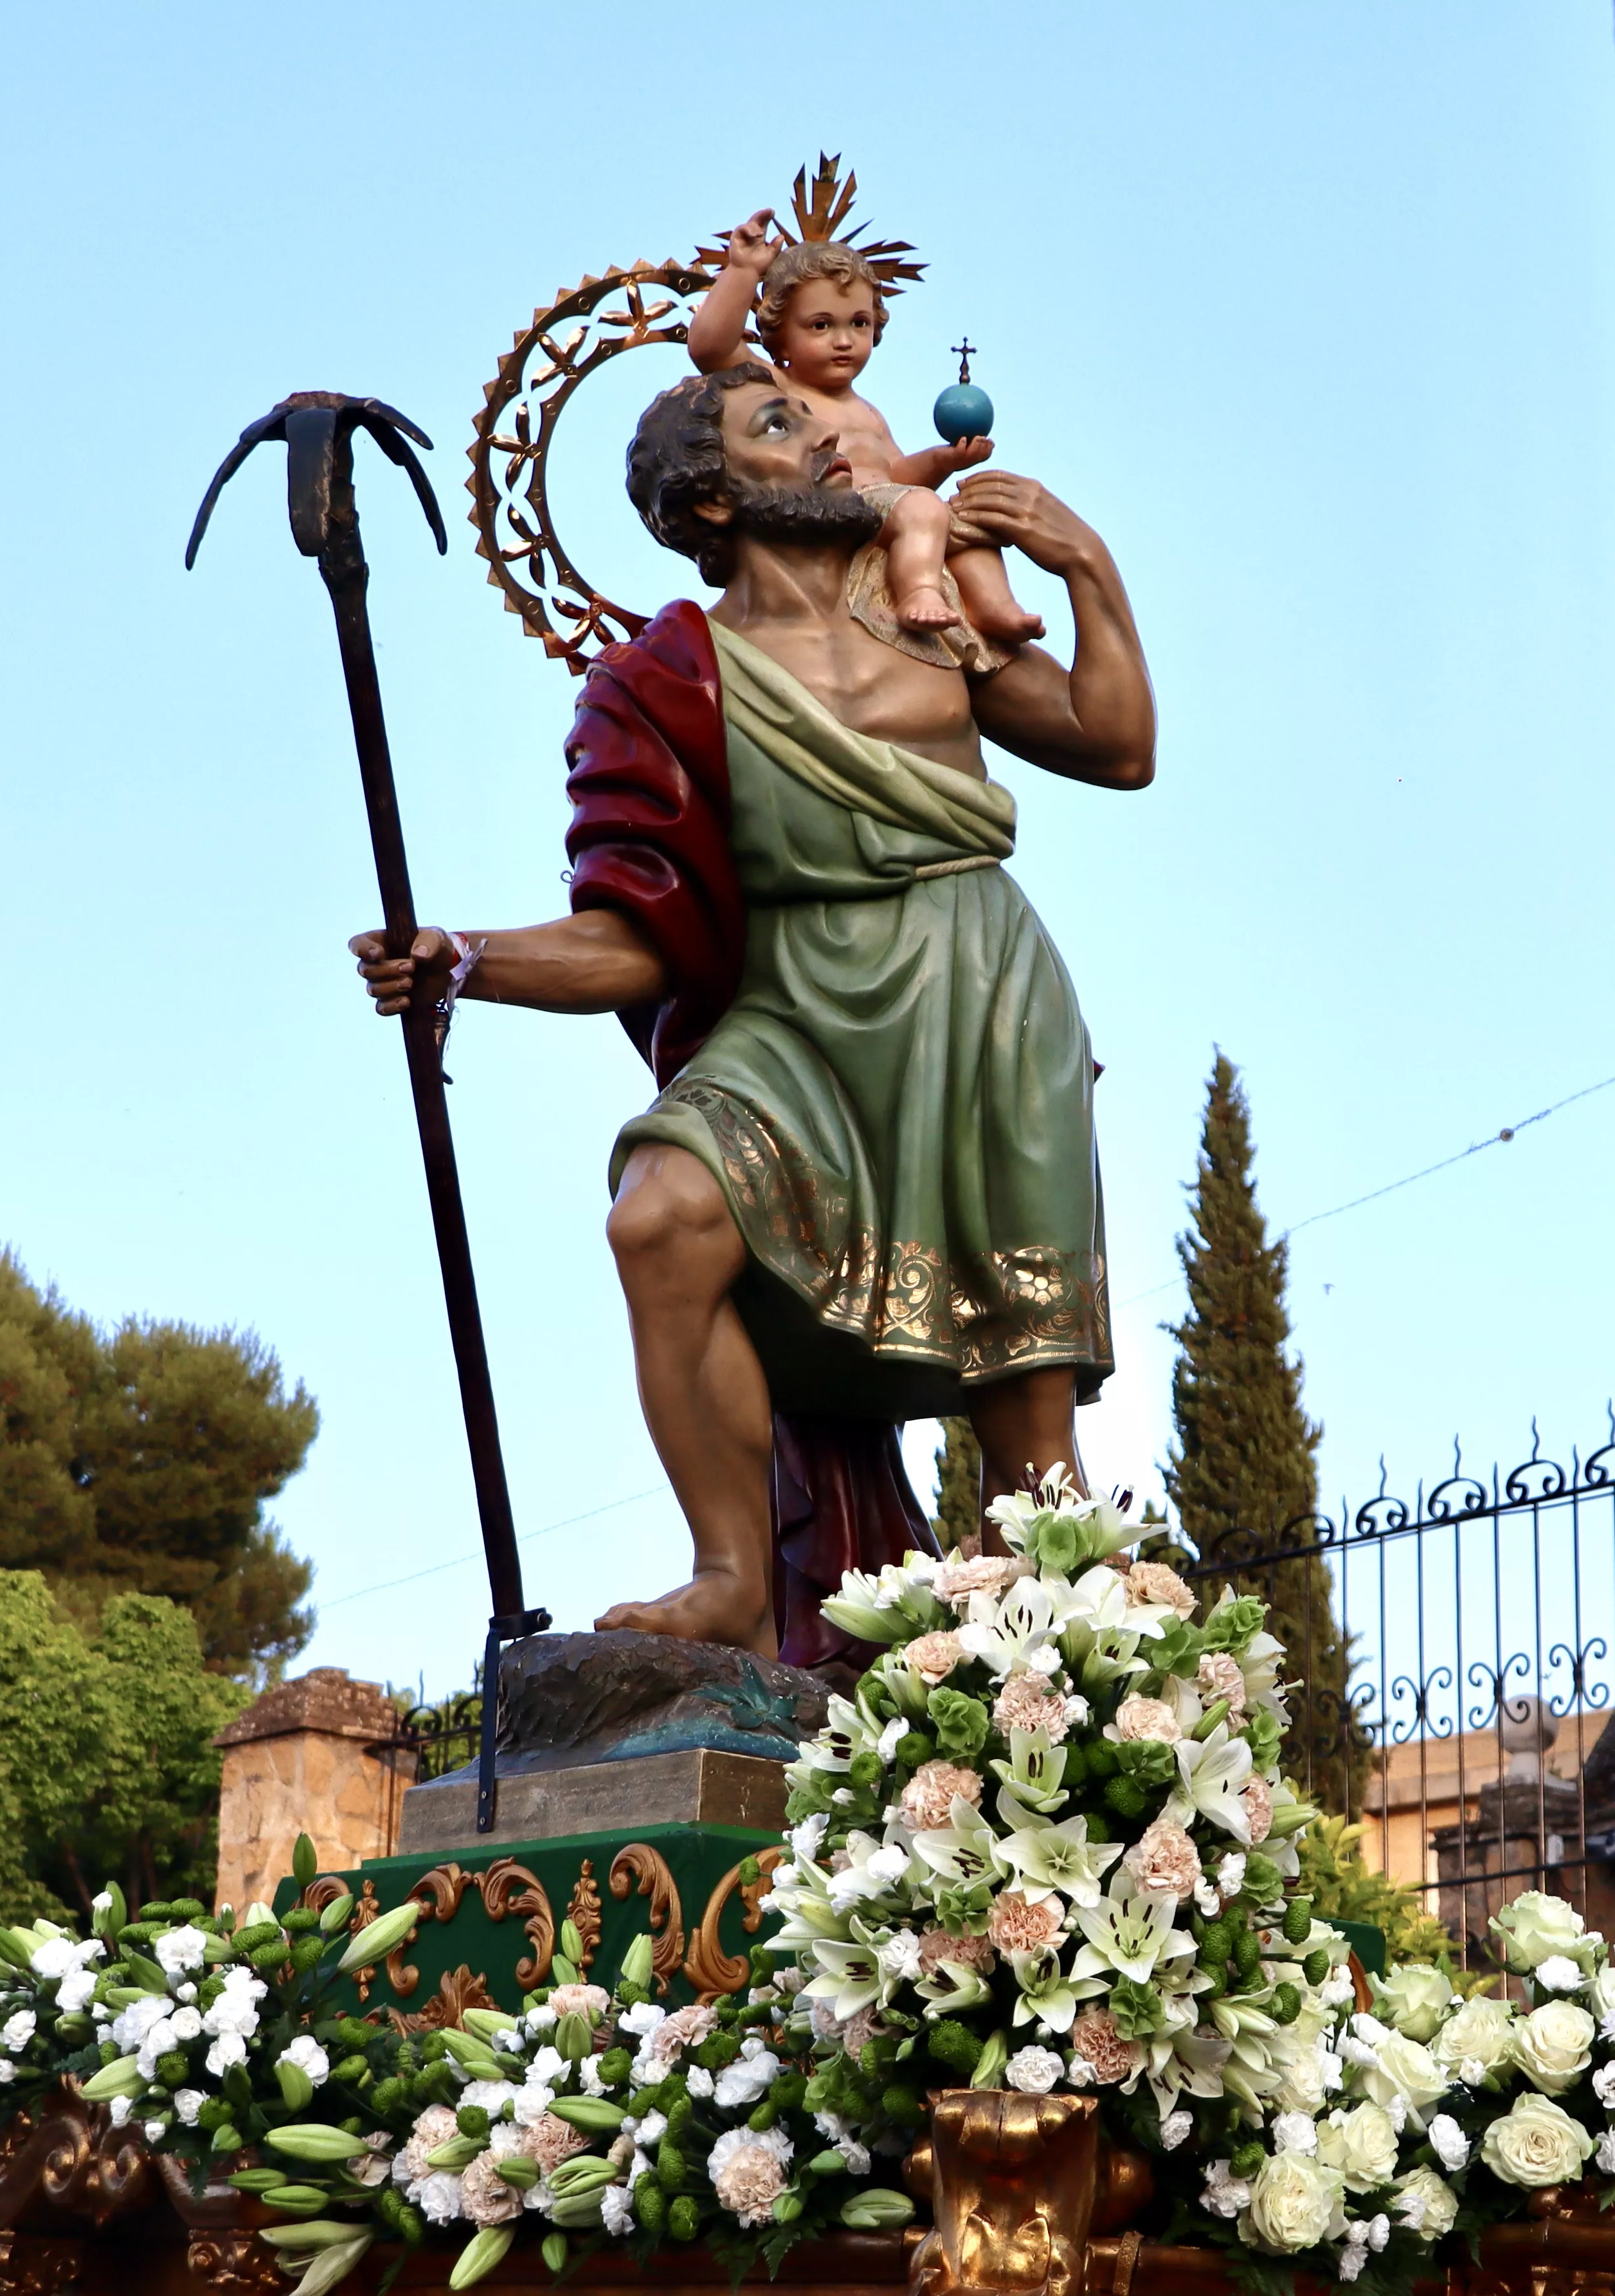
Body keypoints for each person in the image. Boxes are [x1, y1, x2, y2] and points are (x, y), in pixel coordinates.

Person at [352, 363, 1153, 1659]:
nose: (834, 430)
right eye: (781, 421)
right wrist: (462, 958)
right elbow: (637, 939)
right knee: (659, 1217)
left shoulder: (929, 611)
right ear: (709, 495)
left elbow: (1116, 745)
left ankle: (1053, 1681)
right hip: (792, 1011)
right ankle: (731, 1573)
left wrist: (1091, 571)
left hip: (981, 990)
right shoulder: (662, 681)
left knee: (1025, 1406)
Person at [683, 212, 1045, 653]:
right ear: (778, 337)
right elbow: (711, 347)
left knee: (969, 524)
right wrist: (743, 271)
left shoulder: (869, 413)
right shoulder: (780, 389)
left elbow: (896, 471)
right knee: (923, 509)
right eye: (821, 325)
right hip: (840, 512)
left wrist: (944, 460)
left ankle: (994, 606)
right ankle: (918, 591)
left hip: (894, 510)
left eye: (858, 323)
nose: (844, 340)